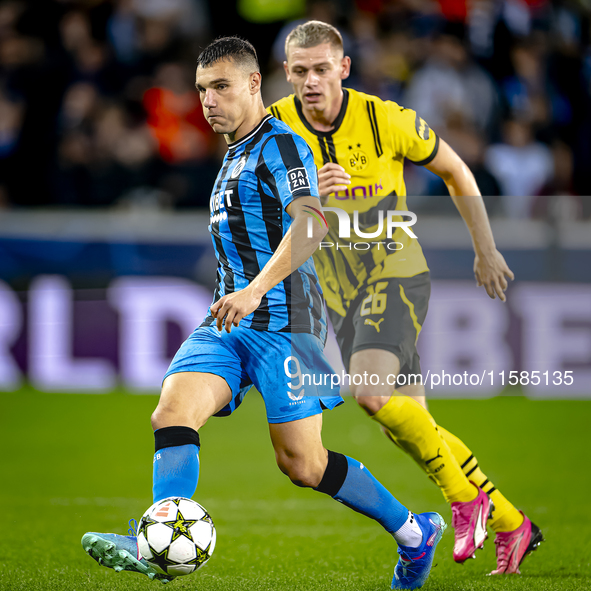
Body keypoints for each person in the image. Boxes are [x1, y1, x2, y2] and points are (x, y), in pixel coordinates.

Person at [81, 37, 446, 590]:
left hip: (286, 325)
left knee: (303, 464)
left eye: (221, 86)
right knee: (171, 415)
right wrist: (241, 296)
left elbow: (311, 223)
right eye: (202, 89)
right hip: (227, 324)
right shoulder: (233, 154)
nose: (208, 101)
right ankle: (156, 537)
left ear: (254, 84)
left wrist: (255, 289)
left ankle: (415, 534)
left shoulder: (281, 146)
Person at [269, 21, 543, 575]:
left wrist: (485, 251)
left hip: (394, 271)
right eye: (300, 71)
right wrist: (301, 194)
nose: (311, 81)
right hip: (339, 291)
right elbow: (263, 202)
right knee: (410, 426)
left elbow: (455, 170)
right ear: (287, 74)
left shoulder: (385, 118)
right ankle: (515, 524)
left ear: (344, 68)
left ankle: (465, 501)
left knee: (368, 392)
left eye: (322, 69)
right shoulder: (275, 123)